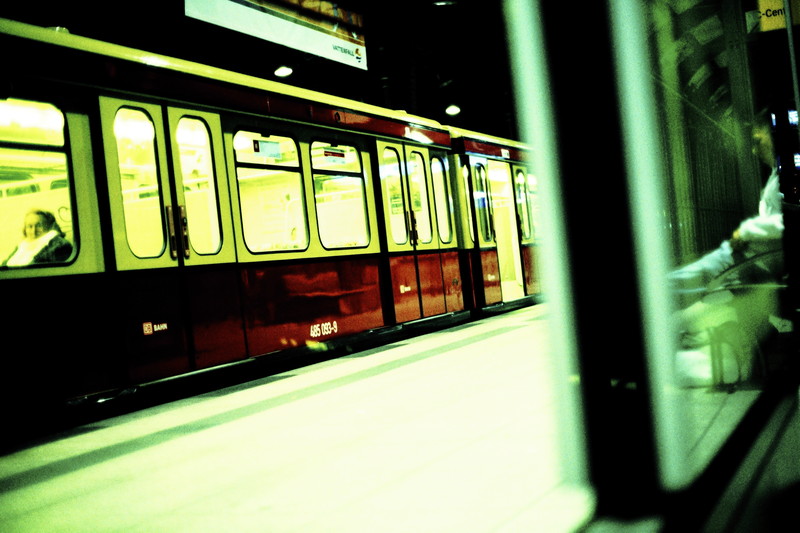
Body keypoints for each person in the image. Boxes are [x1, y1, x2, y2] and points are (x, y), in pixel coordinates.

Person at [668, 115, 782, 290]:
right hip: (761, 255)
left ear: (774, 135)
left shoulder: (784, 178)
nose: (754, 151)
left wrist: (745, 232)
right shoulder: (776, 175)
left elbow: (786, 221)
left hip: (760, 258)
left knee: (702, 272)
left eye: (758, 141)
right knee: (703, 271)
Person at [2, 209, 73, 267]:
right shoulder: (22, 246)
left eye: (39, 226)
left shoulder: (59, 246)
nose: (33, 231)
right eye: (30, 226)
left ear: (49, 227)